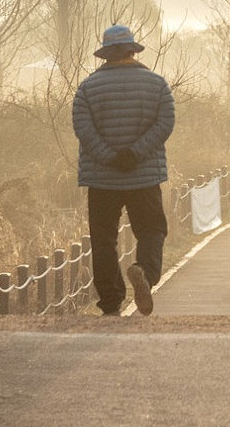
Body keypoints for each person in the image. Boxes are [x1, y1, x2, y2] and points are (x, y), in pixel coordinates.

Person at [73, 24, 174, 316]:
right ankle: (144, 271)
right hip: (144, 175)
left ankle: (111, 301)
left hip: (102, 178)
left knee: (104, 239)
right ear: (133, 50)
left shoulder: (87, 88)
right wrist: (136, 154)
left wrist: (110, 157)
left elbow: (83, 129)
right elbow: (165, 123)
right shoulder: (156, 84)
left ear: (106, 55)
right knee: (152, 229)